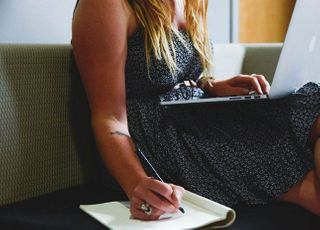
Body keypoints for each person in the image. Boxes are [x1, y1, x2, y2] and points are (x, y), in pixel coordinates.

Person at [72, 0, 320, 220]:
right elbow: (109, 119)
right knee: (305, 182)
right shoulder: (106, 4)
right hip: (151, 140)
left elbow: (171, 75)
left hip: (190, 113)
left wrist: (211, 86)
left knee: (313, 100)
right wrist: (137, 183)